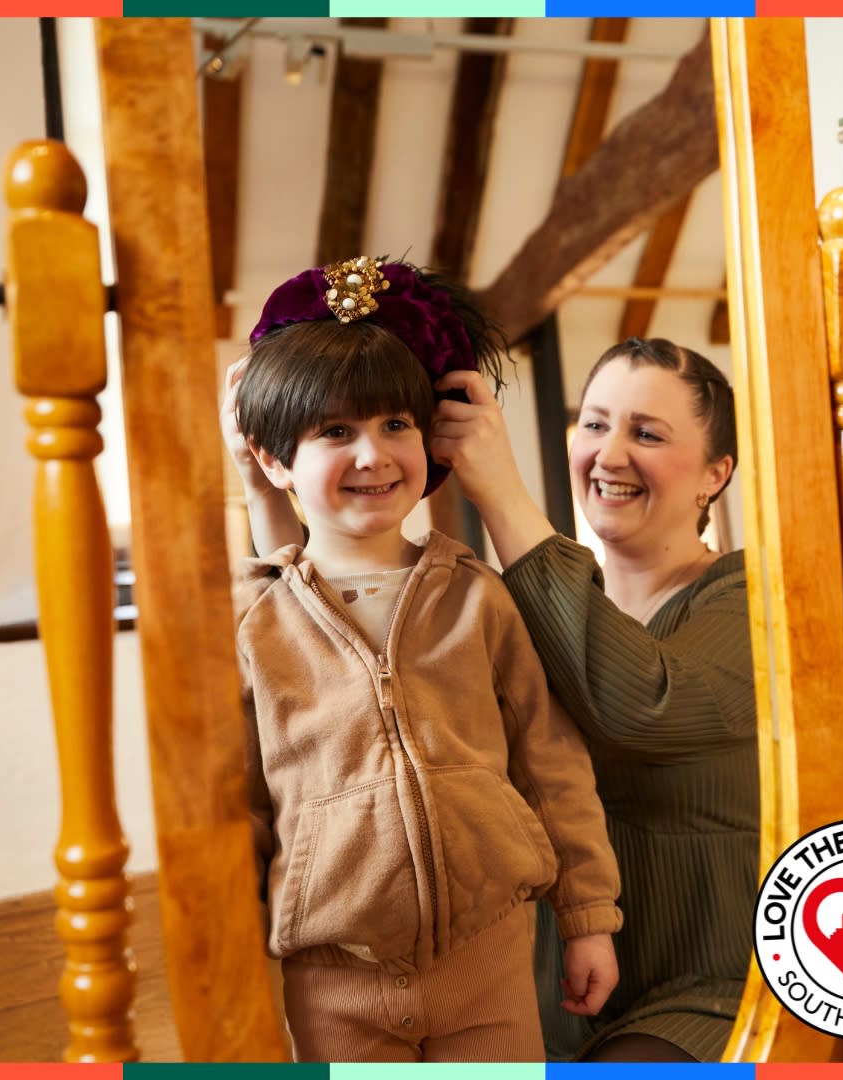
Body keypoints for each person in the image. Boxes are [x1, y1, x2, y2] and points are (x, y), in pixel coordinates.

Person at [230, 255, 622, 1064]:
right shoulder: (252, 622)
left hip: (490, 963)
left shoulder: (479, 598)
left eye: (394, 425)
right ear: (273, 461)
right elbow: (236, 810)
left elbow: (552, 765)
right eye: (335, 431)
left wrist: (588, 920)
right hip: (332, 979)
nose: (372, 455)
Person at [429, 337, 759, 1063]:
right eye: (597, 422)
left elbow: (643, 701)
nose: (610, 454)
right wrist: (269, 486)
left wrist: (501, 493)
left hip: (712, 993)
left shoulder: (753, 599)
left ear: (715, 474)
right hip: (552, 990)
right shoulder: (555, 612)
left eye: (646, 433)